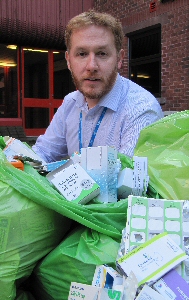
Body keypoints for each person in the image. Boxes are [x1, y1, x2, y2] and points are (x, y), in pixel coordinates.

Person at [32, 10, 163, 163]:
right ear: (68, 60)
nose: (91, 66)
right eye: (82, 54)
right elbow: (42, 153)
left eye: (102, 53)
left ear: (119, 59)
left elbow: (124, 181)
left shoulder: (141, 110)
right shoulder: (71, 103)